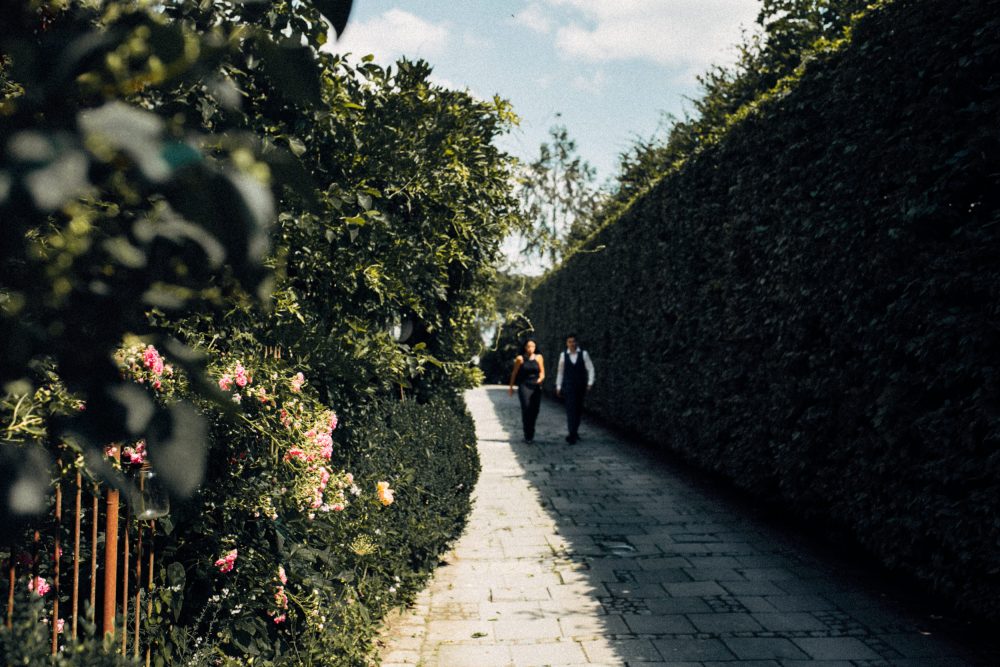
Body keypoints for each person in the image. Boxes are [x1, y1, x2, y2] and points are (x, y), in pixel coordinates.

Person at [555, 333, 594, 444]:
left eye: (573, 341)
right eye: (569, 342)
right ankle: (571, 434)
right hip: (568, 386)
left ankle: (574, 431)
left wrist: (590, 382)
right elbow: (560, 372)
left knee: (578, 410)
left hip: (580, 386)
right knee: (570, 409)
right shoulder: (563, 355)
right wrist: (558, 386)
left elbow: (590, 368)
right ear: (567, 343)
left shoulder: (584, 354)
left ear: (577, 342)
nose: (572, 344)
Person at [508, 338, 545, 443]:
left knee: (535, 410)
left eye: (532, 346)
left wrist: (540, 379)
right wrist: (511, 387)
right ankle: (528, 435)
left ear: (535, 347)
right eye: (528, 346)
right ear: (525, 347)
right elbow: (514, 373)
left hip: (536, 386)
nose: (530, 348)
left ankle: (531, 431)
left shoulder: (539, 357)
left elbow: (542, 372)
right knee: (526, 408)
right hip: (524, 386)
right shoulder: (520, 359)